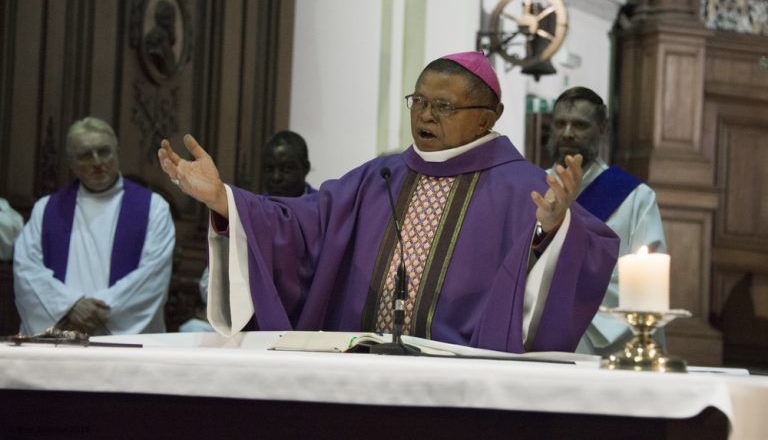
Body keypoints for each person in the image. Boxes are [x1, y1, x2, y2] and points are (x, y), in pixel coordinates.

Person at [159, 52, 619, 353]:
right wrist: (224, 199)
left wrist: (552, 230)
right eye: (419, 101)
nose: (425, 115)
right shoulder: (377, 178)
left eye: (444, 106)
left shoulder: (524, 187)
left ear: (487, 118)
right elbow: (302, 224)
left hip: (462, 380)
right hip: (359, 370)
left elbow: (592, 252)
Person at [13, 117, 175, 336]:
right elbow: (27, 269)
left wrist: (95, 310)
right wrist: (70, 306)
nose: (97, 162)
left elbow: (152, 275)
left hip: (122, 342)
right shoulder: (46, 209)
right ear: (71, 163)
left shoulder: (154, 208)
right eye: (85, 155)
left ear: (117, 152)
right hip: (62, 333)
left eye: (104, 151)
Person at [547, 86, 667, 356]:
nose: (567, 133)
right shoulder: (532, 186)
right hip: (534, 328)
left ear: (602, 128)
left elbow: (648, 279)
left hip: (600, 336)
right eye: (560, 124)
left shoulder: (635, 197)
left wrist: (570, 293)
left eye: (580, 125)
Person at [179, 129, 316, 333]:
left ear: (305, 168)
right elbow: (212, 281)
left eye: (286, 168)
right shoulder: (247, 211)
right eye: (269, 169)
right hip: (255, 319)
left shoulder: (320, 212)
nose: (276, 177)